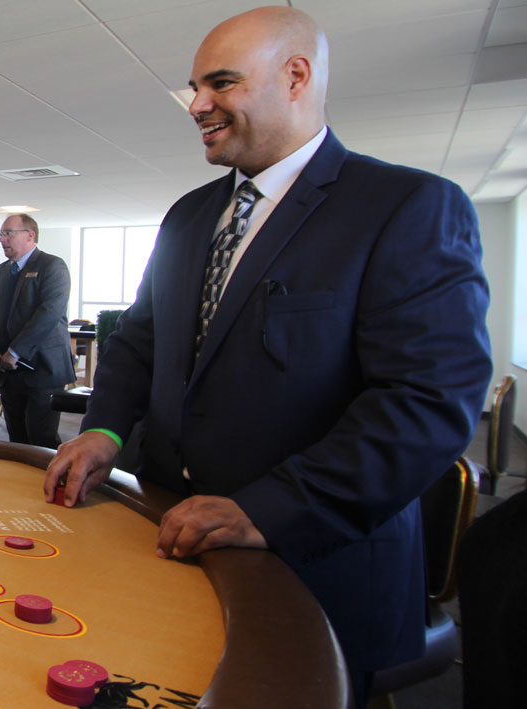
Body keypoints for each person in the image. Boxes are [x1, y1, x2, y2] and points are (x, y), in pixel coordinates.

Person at [43, 7, 491, 706]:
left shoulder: (407, 206)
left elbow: (425, 403)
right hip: (172, 543)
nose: (196, 105)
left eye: (220, 83)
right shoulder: (188, 214)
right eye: (194, 86)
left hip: (317, 567)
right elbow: (139, 339)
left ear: (295, 76)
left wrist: (270, 509)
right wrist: (101, 430)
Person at [0, 214, 74, 447]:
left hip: (43, 368)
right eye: (1, 234)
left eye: (9, 233)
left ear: (30, 235)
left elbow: (49, 313)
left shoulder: (52, 266)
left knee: (41, 437)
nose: (2, 239)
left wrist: (17, 351)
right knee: (17, 439)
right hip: (7, 371)